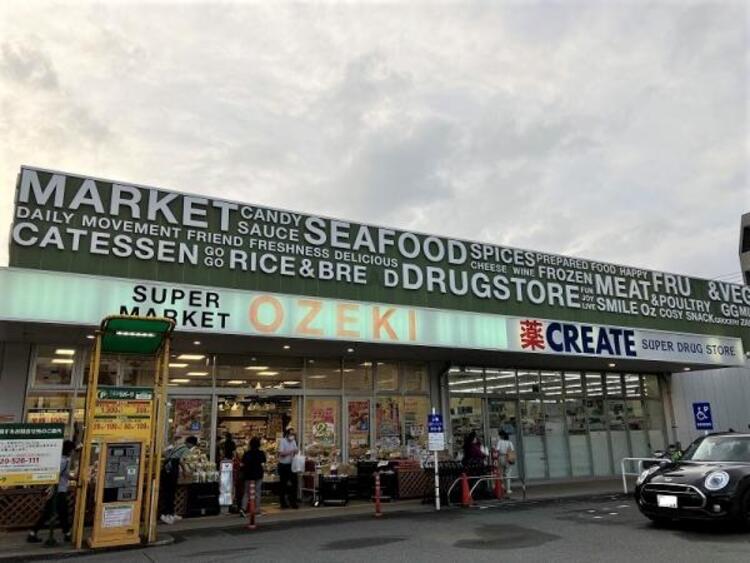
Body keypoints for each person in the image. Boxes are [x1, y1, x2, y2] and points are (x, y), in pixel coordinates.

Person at [28, 440, 76, 543]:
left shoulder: (59, 459)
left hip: (55, 490)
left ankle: (33, 533)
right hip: (59, 491)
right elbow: (60, 474)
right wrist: (74, 478)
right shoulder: (65, 461)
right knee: (62, 513)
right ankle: (67, 534)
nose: (74, 452)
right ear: (69, 450)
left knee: (49, 513)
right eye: (73, 450)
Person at [160, 436, 197, 525]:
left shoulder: (179, 445)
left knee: (169, 492)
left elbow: (168, 454)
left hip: (166, 470)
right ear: (190, 444)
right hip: (171, 471)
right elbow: (181, 460)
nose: (192, 447)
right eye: (192, 445)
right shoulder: (186, 449)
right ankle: (166, 515)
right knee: (170, 493)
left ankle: (171, 513)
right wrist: (185, 471)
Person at [239, 436, 266, 517]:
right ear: (259, 444)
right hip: (258, 474)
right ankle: (257, 510)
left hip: (248, 474)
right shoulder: (261, 453)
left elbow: (242, 464)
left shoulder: (247, 453)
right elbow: (263, 463)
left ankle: (243, 509)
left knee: (246, 492)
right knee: (257, 492)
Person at [277, 427, 299, 509]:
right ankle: (283, 503)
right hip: (283, 465)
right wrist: (291, 451)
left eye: (293, 434)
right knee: (283, 484)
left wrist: (296, 452)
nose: (292, 436)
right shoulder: (282, 441)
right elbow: (281, 453)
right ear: (287, 434)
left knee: (294, 483)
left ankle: (293, 502)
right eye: (291, 434)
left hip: (292, 464)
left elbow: (295, 450)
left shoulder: (293, 441)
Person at [495, 430, 516, 494]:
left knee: (501, 473)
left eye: (499, 435)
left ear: (501, 436)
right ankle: (508, 489)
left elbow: (497, 449)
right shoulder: (509, 442)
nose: (498, 436)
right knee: (507, 473)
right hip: (508, 457)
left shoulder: (500, 441)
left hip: (501, 457)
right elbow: (512, 450)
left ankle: (502, 487)